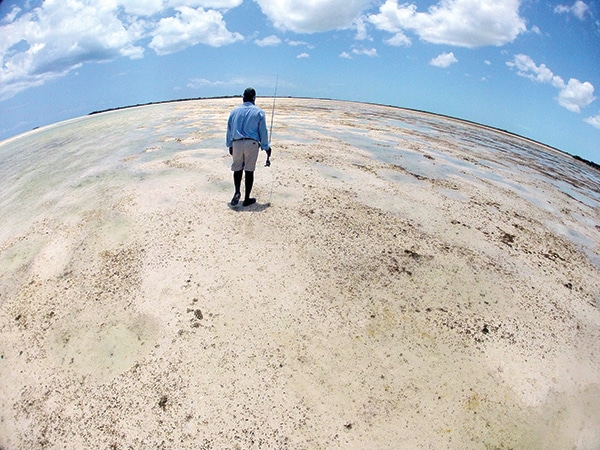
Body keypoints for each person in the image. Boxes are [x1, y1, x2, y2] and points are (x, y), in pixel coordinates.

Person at [225, 87, 272, 206]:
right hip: (251, 143)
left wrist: (230, 145)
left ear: (243, 97)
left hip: (236, 142)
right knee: (249, 170)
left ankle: (237, 192)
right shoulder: (259, 112)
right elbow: (263, 131)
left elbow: (229, 130)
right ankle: (246, 199)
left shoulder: (234, 112)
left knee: (237, 168)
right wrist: (266, 147)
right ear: (254, 98)